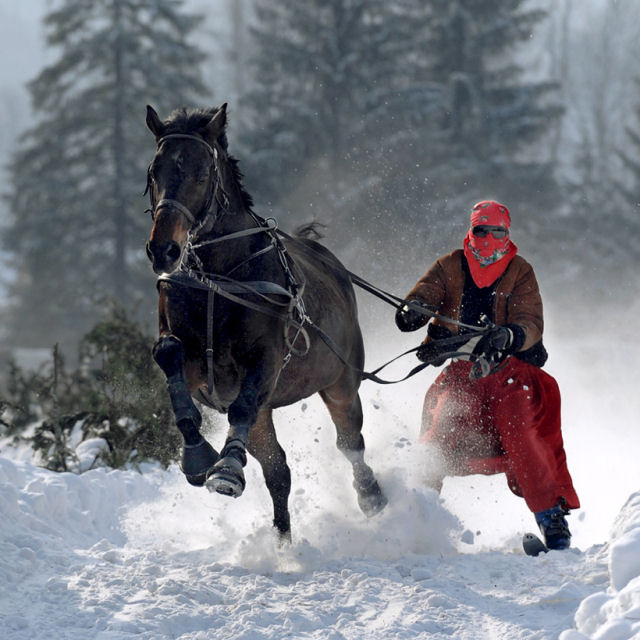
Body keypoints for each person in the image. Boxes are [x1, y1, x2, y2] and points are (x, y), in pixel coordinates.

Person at [395, 200, 580, 550]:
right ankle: (415, 518)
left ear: (507, 233)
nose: (489, 238)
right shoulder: (450, 265)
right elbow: (423, 296)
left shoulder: (520, 270)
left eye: (497, 231)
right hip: (462, 376)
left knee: (523, 437)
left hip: (508, 374)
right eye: (482, 230)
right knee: (437, 435)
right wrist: (414, 310)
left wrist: (511, 335)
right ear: (471, 230)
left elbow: (531, 321)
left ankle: (550, 519)